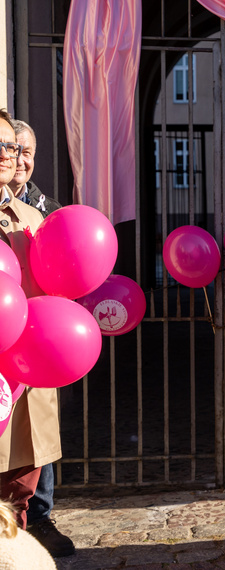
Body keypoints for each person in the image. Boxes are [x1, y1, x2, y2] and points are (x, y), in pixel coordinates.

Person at [5, 119, 73, 557]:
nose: (10, 155)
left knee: (20, 486)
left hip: (25, 370)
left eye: (12, 146)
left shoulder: (33, 217)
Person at [7, 120, 61, 218]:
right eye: (12, 151)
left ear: (33, 155)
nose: (19, 162)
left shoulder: (52, 211)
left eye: (26, 153)